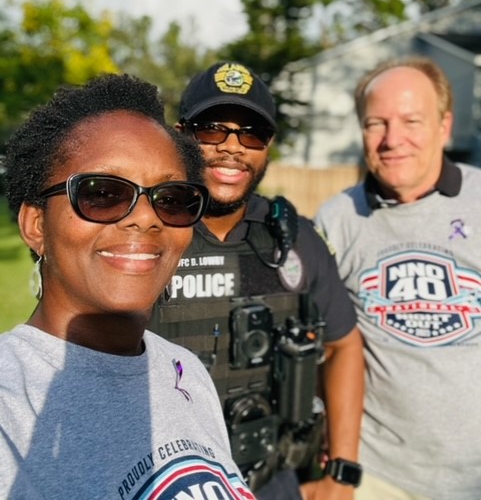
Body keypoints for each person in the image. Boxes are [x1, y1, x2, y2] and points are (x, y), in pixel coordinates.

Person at [0, 73, 257, 500]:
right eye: (103, 193)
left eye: (172, 199)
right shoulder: (10, 398)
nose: (145, 218)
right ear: (36, 224)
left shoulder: (185, 370)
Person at [149, 61, 364, 500]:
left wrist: (341, 470)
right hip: (163, 483)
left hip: (272, 480)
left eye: (252, 133)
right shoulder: (144, 229)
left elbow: (344, 345)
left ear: (268, 146)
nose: (233, 147)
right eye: (212, 129)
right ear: (180, 134)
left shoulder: (296, 237)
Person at [314, 56, 481, 500]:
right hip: (377, 474)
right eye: (376, 124)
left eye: (411, 120)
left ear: (444, 127)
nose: (392, 140)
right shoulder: (337, 220)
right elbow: (322, 344)